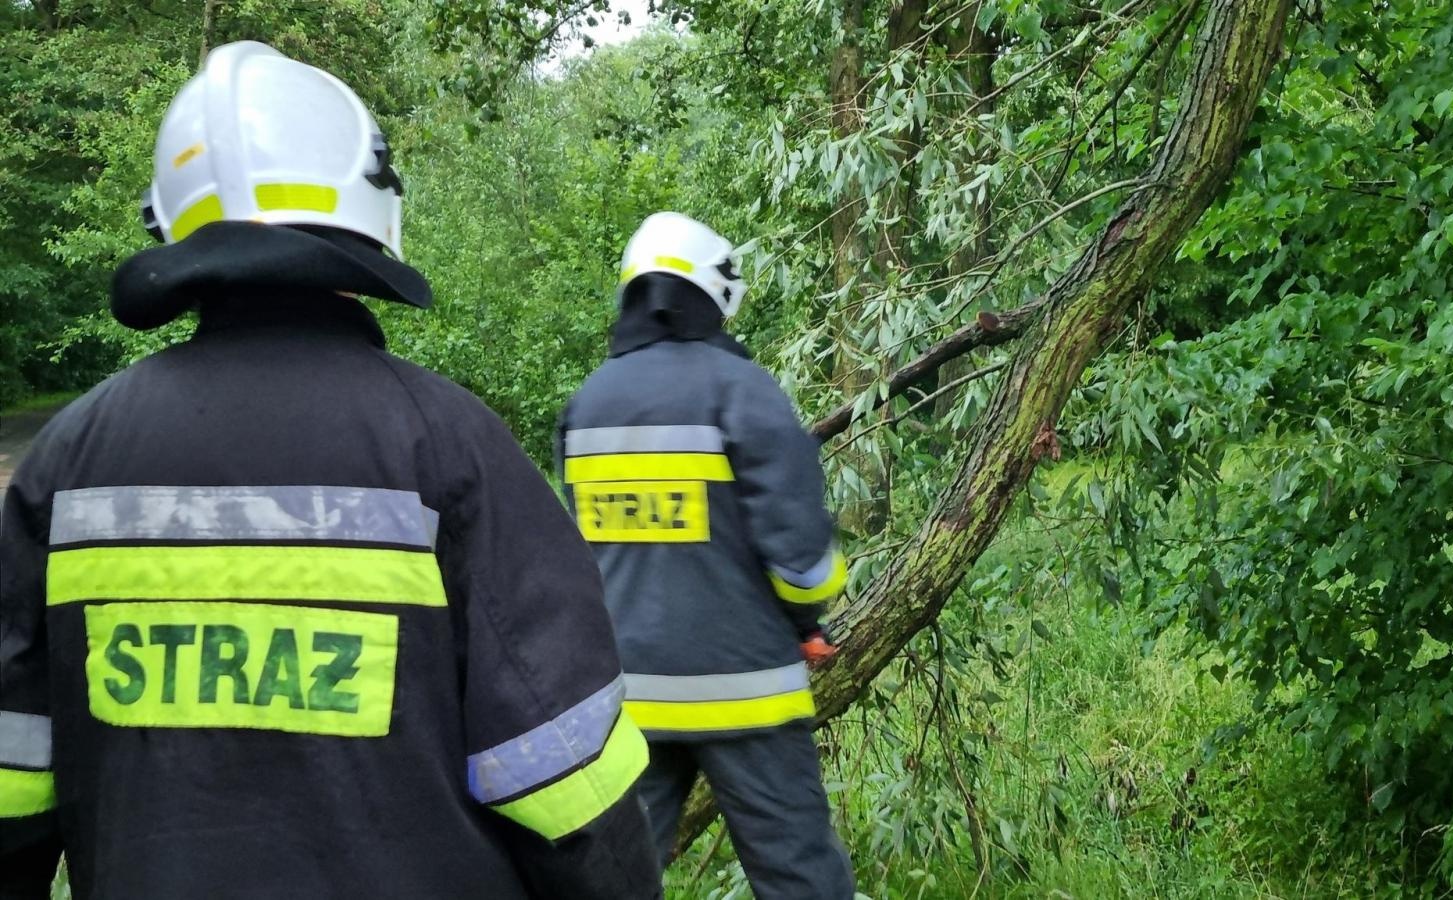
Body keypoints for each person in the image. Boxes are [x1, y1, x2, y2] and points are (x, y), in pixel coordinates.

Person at [0, 41, 658, 899]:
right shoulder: (448, 446)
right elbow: (573, 790)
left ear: (172, 224)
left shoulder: (69, 459)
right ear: (370, 209)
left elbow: (12, 785)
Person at [557, 212, 856, 898]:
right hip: (746, 692)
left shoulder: (587, 404)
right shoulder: (741, 390)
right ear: (713, 293)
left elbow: (582, 550)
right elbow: (802, 556)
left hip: (631, 699)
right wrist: (808, 618)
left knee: (616, 879)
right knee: (798, 874)